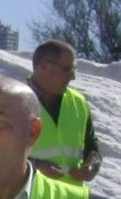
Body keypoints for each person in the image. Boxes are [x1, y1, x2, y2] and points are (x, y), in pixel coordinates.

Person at [27, 40, 102, 184]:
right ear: (43, 66)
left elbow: (92, 148)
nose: (73, 77)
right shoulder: (14, 100)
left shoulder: (78, 102)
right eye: (68, 70)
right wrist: (36, 165)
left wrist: (92, 166)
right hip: (29, 197)